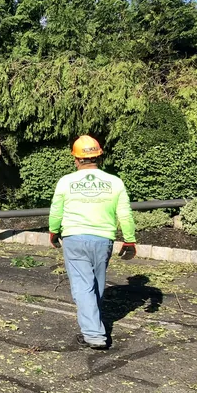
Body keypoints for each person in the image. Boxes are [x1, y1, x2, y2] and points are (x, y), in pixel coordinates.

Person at [48, 135, 136, 350]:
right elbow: (125, 214)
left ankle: (94, 335)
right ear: (99, 157)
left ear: (76, 159)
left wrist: (53, 231)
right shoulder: (115, 182)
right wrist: (130, 240)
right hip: (103, 240)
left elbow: (56, 210)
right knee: (96, 284)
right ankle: (93, 324)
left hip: (74, 238)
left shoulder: (66, 182)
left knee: (83, 286)